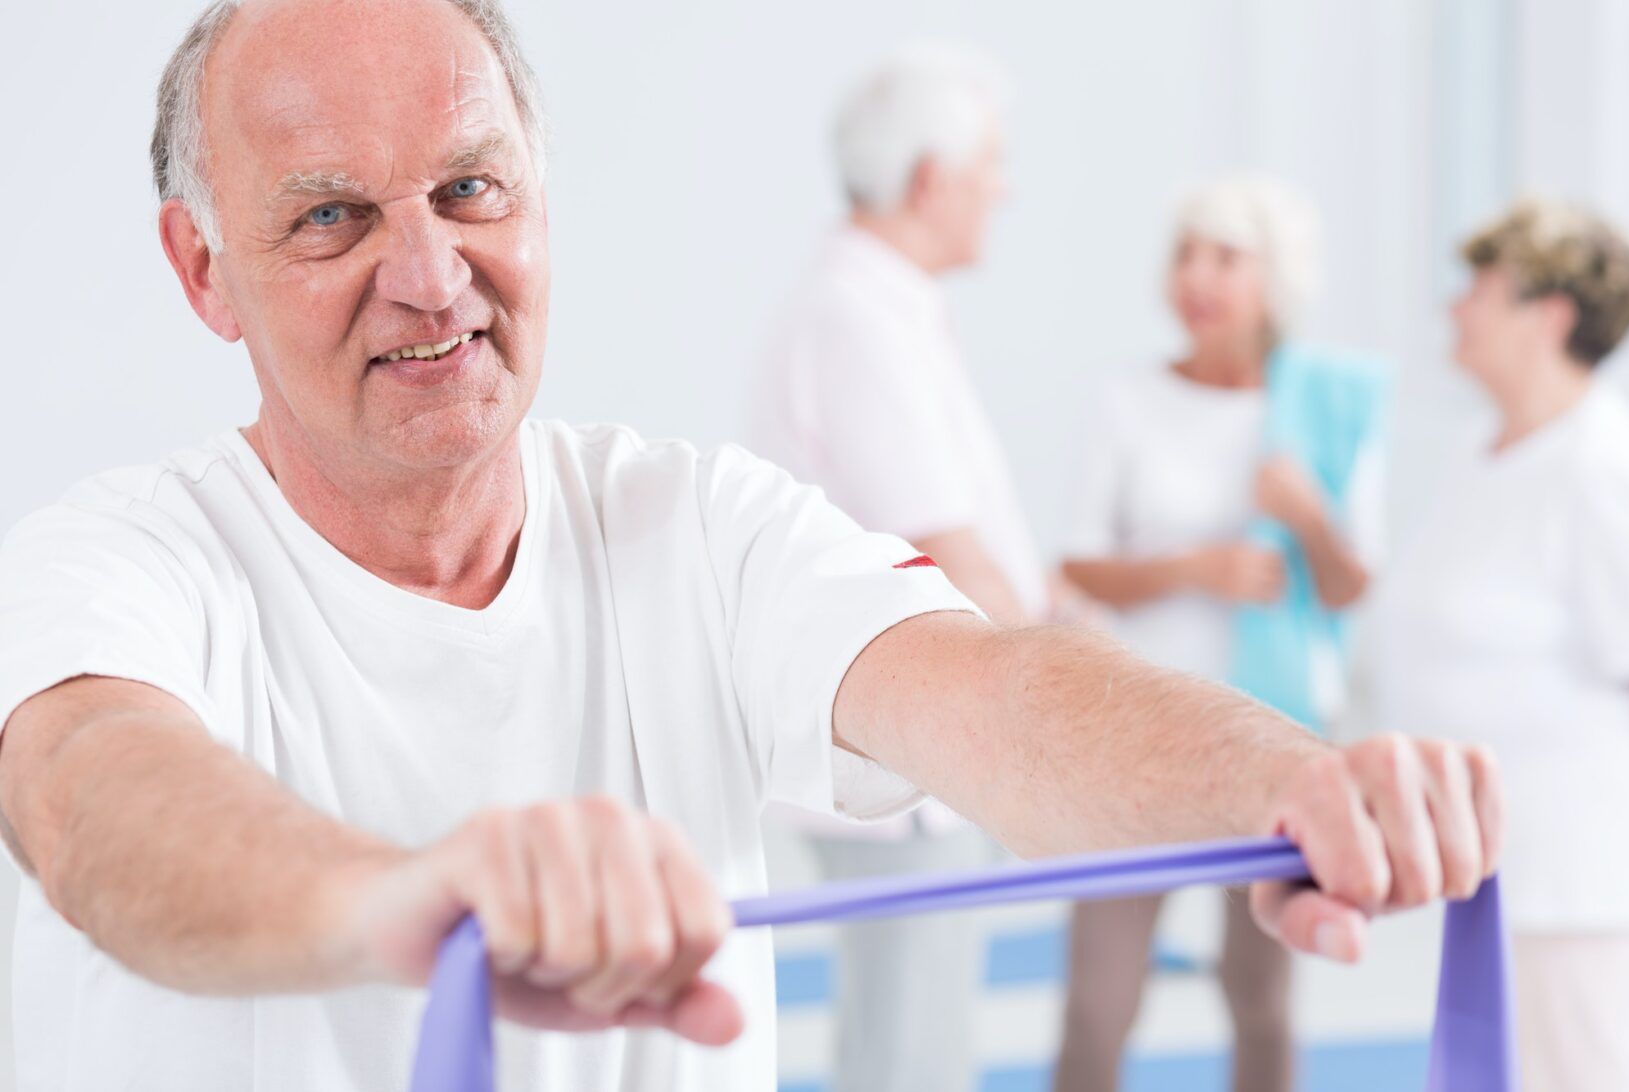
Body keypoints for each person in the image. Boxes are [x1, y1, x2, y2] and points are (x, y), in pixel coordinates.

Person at [0, 4, 1499, 1090]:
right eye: (331, 218)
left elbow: (982, 688)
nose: (428, 276)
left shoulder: (696, 527)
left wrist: (1285, 779)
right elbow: (93, 802)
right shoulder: (117, 558)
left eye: (470, 191)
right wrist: (402, 898)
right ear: (205, 271)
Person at [749, 45, 1042, 1092]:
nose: (1003, 188)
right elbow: (948, 551)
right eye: (990, 165)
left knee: (908, 1045)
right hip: (908, 762)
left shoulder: (885, 306)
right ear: (932, 180)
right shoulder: (860, 317)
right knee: (908, 1061)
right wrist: (1077, 690)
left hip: (923, 751)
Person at [1055, 176, 1387, 1092]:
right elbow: (1078, 566)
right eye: (1184, 254)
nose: (1196, 277)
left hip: (1265, 736)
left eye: (1225, 258)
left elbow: (1351, 587)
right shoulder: (1127, 396)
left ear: (1275, 279)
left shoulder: (1326, 406)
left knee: (1261, 998)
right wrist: (1192, 568)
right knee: (1098, 1004)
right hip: (1132, 736)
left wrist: (1309, 518)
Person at [1377, 199, 1629, 1092]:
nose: (1457, 307)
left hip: (1574, 883)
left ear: (1551, 316)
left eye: (1481, 289)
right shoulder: (1475, 452)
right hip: (1485, 878)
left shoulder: (1602, 465)